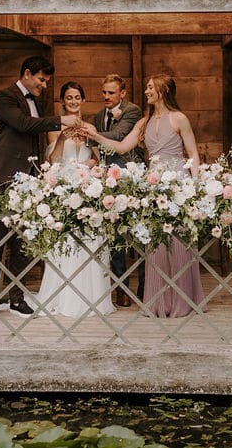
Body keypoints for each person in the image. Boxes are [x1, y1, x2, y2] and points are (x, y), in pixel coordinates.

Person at [84, 75, 206, 318]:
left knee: (179, 243)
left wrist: (196, 188)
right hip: (153, 185)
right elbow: (121, 147)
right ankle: (159, 301)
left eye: (151, 87)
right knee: (156, 244)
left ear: (163, 91)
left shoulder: (179, 118)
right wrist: (96, 136)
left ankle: (183, 300)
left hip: (177, 184)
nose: (147, 91)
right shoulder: (143, 121)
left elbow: (192, 153)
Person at [0, 56, 80, 317]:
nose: (44, 85)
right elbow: (24, 125)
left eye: (46, 81)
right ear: (27, 74)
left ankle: (16, 298)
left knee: (22, 243)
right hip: (3, 179)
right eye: (41, 79)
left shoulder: (35, 102)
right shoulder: (5, 97)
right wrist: (61, 122)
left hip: (28, 183)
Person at [34, 82, 114, 318]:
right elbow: (54, 161)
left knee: (91, 239)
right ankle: (65, 297)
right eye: (68, 97)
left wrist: (91, 163)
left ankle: (93, 297)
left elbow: (99, 158)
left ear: (83, 100)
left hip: (88, 187)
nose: (73, 101)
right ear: (62, 101)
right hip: (65, 187)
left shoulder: (90, 127)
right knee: (67, 240)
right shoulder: (54, 127)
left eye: (77, 97)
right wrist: (62, 139)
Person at [90, 74, 145, 307]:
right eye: (104, 92)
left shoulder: (133, 111)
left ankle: (144, 287)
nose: (106, 97)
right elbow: (97, 148)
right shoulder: (97, 116)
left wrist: (90, 133)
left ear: (122, 93)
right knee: (115, 235)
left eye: (111, 93)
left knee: (140, 233)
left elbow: (119, 137)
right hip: (109, 180)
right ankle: (121, 288)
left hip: (132, 178)